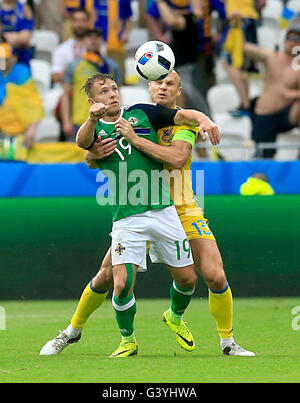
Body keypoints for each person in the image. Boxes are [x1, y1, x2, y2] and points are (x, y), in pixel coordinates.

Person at [40, 71, 254, 357]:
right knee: (108, 277)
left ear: (179, 91)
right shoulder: (139, 115)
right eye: (158, 82)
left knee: (212, 276)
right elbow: (91, 151)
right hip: (136, 209)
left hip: (180, 208)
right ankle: (71, 332)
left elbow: (177, 159)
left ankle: (224, 340)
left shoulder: (180, 123)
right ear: (149, 86)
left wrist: (203, 118)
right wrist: (92, 154)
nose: (163, 88)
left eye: (170, 84)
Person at [244, 18, 300, 158]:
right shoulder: (272, 57)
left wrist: (291, 94)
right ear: (284, 40)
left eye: (297, 38)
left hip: (286, 115)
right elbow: (245, 48)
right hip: (265, 114)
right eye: (289, 37)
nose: (292, 41)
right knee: (264, 156)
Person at [146, 0, 212, 118]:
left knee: (189, 98)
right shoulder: (187, 17)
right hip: (180, 69)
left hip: (186, 70)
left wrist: (161, 2)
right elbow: (152, 15)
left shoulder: (190, 19)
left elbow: (172, 21)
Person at [60, 28, 121, 141]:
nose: (93, 40)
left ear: (101, 40)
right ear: (83, 41)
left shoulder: (112, 66)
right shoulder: (73, 66)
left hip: (106, 121)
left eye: (97, 37)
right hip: (79, 121)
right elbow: (65, 95)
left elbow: (118, 93)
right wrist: (66, 121)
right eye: (89, 37)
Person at [219, 0, 266, 117]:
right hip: (238, 21)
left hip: (241, 20)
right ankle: (245, 103)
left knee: (235, 65)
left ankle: (245, 104)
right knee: (233, 65)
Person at [0, 41, 43, 151]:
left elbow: (34, 104)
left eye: (5, 58)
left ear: (14, 58)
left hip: (20, 131)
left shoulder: (22, 75)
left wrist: (32, 129)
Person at [93, 0, 133, 84]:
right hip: (95, 39)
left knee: (117, 72)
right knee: (94, 71)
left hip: (116, 40)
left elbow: (128, 17)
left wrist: (126, 33)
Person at [51, 7, 90, 84]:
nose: (79, 24)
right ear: (71, 22)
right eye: (76, 20)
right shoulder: (61, 49)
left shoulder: (97, 48)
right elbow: (56, 77)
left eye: (83, 20)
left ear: (88, 22)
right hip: (67, 89)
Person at [0, 0, 35, 66]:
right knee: (3, 70)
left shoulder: (24, 9)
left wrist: (3, 38)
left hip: (21, 58)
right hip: (2, 57)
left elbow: (25, 37)